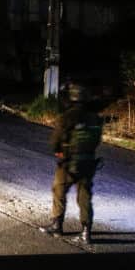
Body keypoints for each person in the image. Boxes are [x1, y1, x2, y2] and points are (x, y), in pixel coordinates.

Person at [40, 82, 104, 244]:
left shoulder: (68, 116)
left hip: (69, 162)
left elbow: (55, 140)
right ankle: (86, 232)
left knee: (59, 189)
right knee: (84, 197)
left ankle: (57, 226)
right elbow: (97, 140)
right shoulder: (94, 118)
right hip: (89, 162)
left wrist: (59, 151)